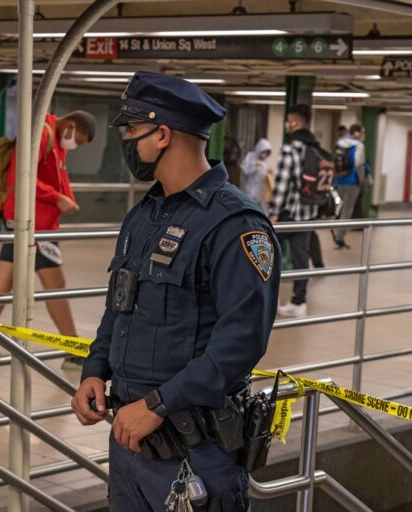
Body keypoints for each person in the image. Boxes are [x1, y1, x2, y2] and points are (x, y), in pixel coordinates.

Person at [71, 71, 280, 512]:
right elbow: (119, 307)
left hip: (194, 452)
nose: (128, 141)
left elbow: (241, 341)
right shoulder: (144, 215)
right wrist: (95, 369)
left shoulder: (234, 224)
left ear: (162, 134)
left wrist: (159, 404)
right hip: (130, 441)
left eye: (132, 130)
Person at [0, 111, 96, 366]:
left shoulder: (56, 142)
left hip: (33, 222)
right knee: (55, 284)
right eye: (77, 140)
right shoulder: (41, 135)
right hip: (33, 225)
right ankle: (72, 347)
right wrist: (57, 198)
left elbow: (55, 177)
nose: (75, 146)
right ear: (70, 125)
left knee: (3, 284)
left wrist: (65, 198)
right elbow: (21, 177)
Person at [269, 104, 318, 317]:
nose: (287, 125)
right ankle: (299, 303)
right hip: (308, 212)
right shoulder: (315, 147)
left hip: (288, 213)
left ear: (295, 123)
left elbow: (281, 184)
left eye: (288, 121)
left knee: (267, 255)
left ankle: (267, 301)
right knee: (300, 258)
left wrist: (273, 212)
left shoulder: (291, 148)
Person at [331, 123, 366, 249]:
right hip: (352, 181)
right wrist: (361, 180)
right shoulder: (359, 146)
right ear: (356, 133)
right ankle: (339, 235)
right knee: (347, 209)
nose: (363, 134)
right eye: (362, 132)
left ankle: (332, 226)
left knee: (337, 206)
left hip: (338, 181)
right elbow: (358, 164)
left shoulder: (340, 143)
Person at [239, 138, 272, 212]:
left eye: (267, 152)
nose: (264, 154)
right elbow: (244, 169)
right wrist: (254, 164)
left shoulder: (264, 161)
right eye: (264, 151)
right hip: (249, 192)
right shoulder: (250, 156)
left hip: (260, 195)